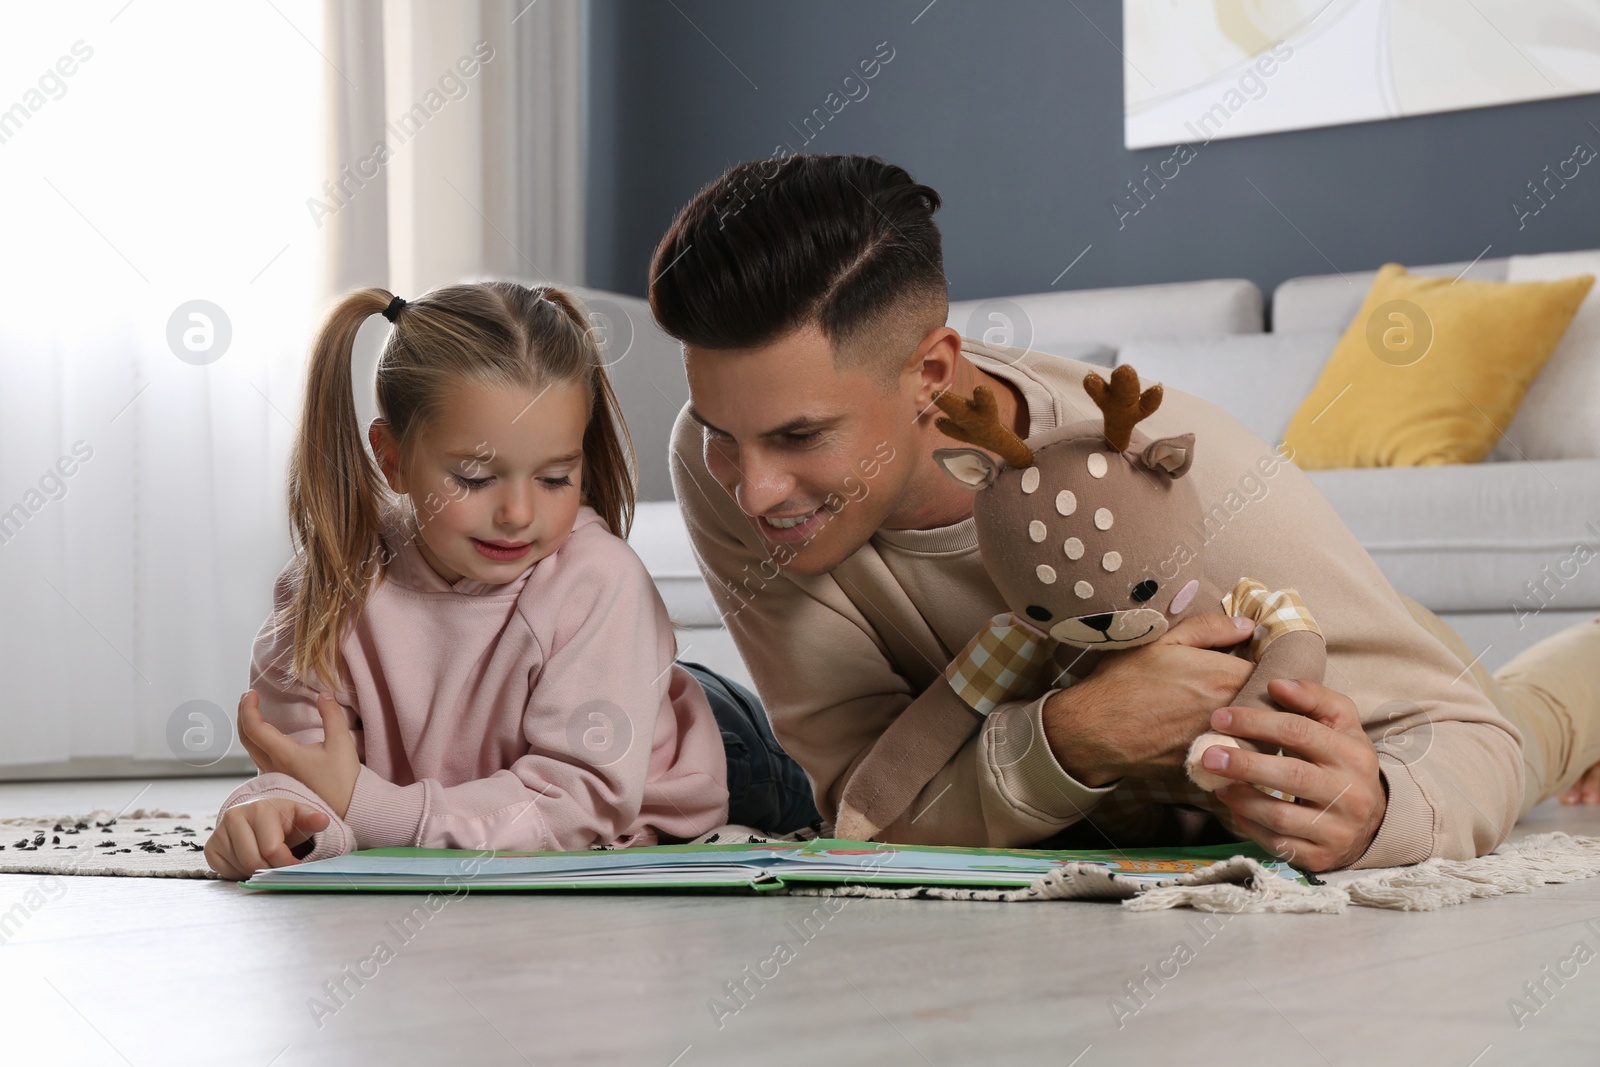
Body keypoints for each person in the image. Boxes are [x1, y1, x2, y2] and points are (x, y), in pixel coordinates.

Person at [649, 152, 1600, 873]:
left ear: (932, 373)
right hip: (1122, 789)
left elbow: (1467, 734)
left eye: (801, 437)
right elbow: (866, 814)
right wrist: (1071, 736)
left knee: (1529, 724)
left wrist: (1378, 806)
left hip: (1332, 644)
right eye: (724, 432)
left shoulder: (1188, 472)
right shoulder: (718, 456)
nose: (753, 489)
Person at [205, 282, 817, 881]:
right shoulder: (328, 587)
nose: (519, 515)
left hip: (712, 748)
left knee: (840, 799)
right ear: (391, 458)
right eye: (474, 478)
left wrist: (368, 807)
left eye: (554, 479)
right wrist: (273, 821)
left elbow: (577, 806)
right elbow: (311, 777)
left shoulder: (598, 581)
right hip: (581, 690)